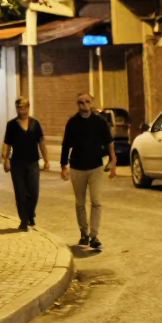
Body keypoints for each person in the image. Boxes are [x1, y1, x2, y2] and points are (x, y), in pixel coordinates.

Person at [60, 91, 116, 250]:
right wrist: (63, 166)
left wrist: (113, 161)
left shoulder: (99, 122)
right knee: (80, 203)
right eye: (80, 102)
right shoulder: (72, 122)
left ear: (91, 103)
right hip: (77, 168)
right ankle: (83, 233)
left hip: (96, 167)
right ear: (77, 104)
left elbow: (109, 142)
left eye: (86, 102)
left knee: (96, 202)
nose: (83, 104)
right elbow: (66, 145)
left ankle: (94, 236)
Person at [2, 97, 50, 230]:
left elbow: (41, 143)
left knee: (33, 192)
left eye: (24, 107)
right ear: (16, 108)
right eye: (19, 107)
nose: (21, 110)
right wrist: (5, 160)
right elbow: (7, 143)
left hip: (33, 163)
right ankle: (23, 220)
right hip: (17, 163)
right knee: (20, 193)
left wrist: (46, 160)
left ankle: (30, 214)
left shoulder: (35, 124)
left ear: (28, 108)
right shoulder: (11, 125)